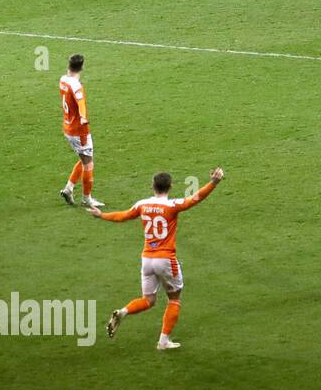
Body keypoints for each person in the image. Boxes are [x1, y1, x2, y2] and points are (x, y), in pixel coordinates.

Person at [93, 167, 224, 350]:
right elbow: (195, 199)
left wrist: (101, 215)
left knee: (148, 300)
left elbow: (122, 216)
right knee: (174, 299)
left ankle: (123, 312)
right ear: (170, 187)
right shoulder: (172, 206)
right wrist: (214, 182)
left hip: (147, 259)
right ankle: (163, 341)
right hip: (165, 259)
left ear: (152, 186)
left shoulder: (142, 204)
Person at [58, 53, 103, 209]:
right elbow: (80, 102)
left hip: (67, 127)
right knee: (89, 163)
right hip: (79, 130)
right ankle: (87, 199)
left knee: (83, 158)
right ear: (82, 67)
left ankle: (69, 188)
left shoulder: (63, 79)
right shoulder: (76, 86)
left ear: (68, 65)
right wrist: (83, 117)